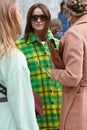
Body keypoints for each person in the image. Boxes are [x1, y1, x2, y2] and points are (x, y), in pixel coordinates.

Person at [16, 3, 62, 130]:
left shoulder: (59, 45)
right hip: (34, 114)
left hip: (59, 111)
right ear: (29, 19)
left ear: (48, 19)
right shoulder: (19, 47)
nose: (38, 20)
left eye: (43, 17)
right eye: (34, 17)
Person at [0, 0, 39, 130]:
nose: (22, 17)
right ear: (10, 17)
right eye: (20, 12)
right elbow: (24, 112)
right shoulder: (13, 58)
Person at [51, 0, 87, 130]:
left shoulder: (74, 34)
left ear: (68, 12)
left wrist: (54, 72)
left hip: (79, 104)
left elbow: (73, 77)